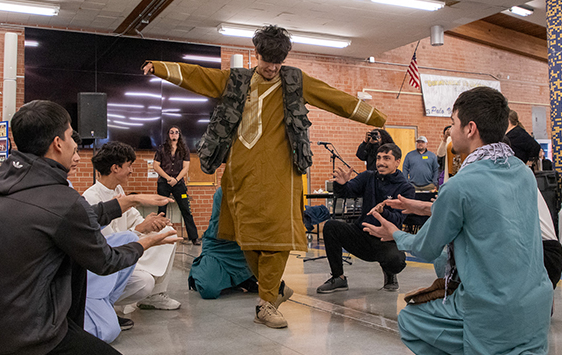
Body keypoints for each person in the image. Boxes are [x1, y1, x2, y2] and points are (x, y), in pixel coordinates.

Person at [142, 25, 386, 329]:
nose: (271, 67)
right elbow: (202, 78)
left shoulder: (295, 80)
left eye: (278, 61)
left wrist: (377, 118)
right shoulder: (237, 81)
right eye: (267, 59)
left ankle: (266, 303)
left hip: (283, 172)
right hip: (240, 172)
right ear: (256, 54)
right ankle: (273, 289)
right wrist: (162, 68)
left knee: (279, 238)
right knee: (245, 237)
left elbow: (331, 97)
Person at [0, 100, 178, 355]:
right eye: (72, 137)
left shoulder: (1, 182)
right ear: (58, 143)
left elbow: (75, 219)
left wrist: (129, 200)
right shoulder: (60, 198)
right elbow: (105, 261)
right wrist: (145, 242)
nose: (76, 146)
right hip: (25, 332)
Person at [363, 87, 555, 355]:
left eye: (453, 123)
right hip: (538, 301)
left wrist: (394, 234)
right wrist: (424, 208)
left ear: (470, 128)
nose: (450, 130)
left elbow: (425, 246)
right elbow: (487, 215)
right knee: (448, 262)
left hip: (495, 306)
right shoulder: (522, 172)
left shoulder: (460, 184)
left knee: (410, 320)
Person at [83, 141, 181, 318]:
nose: (131, 171)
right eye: (129, 166)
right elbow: (108, 245)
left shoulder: (118, 189)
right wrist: (140, 229)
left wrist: (152, 223)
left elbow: (135, 219)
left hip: (127, 246)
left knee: (166, 232)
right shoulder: (91, 197)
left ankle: (155, 296)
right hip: (106, 265)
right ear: (115, 168)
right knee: (144, 282)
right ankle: (104, 302)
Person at [316, 143, 415, 294]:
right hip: (361, 233)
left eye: (387, 158)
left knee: (396, 261)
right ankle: (339, 278)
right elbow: (347, 192)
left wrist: (383, 213)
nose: (381, 162)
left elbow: (397, 221)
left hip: (384, 239)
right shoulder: (368, 177)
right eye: (379, 158)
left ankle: (390, 273)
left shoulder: (406, 188)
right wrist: (341, 185)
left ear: (397, 161)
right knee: (331, 226)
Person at [188, 187, 256, 300]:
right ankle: (201, 267)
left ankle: (240, 279)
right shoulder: (224, 191)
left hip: (245, 248)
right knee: (208, 289)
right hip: (219, 248)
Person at [153, 125, 201, 245]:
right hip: (164, 183)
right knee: (161, 210)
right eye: (171, 132)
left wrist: (176, 179)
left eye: (176, 132)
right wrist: (169, 178)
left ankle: (194, 237)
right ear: (168, 135)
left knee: (186, 209)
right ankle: (160, 236)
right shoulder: (161, 149)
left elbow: (186, 168)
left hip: (179, 184)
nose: (174, 134)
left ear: (179, 135)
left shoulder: (184, 150)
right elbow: (156, 166)